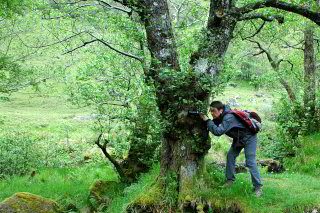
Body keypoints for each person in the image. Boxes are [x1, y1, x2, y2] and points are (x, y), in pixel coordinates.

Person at [199, 100, 263, 197]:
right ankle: (230, 181)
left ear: (220, 110)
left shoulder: (228, 117)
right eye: (210, 111)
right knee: (230, 156)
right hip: (239, 138)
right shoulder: (221, 116)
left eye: (213, 111)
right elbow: (215, 125)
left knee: (250, 162)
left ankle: (258, 188)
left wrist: (208, 121)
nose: (212, 113)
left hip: (249, 137)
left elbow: (218, 131)